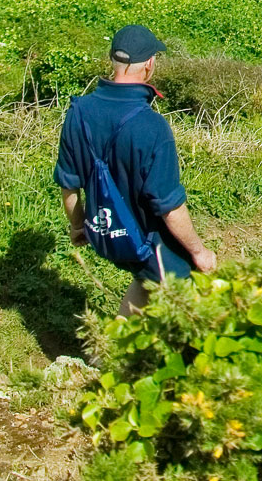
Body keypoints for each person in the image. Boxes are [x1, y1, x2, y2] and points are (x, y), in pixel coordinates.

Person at [55, 25, 216, 315]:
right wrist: (198, 252)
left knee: (147, 277)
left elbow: (69, 186)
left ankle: (109, 352)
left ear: (112, 60)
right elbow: (170, 209)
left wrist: (79, 225)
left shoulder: (77, 112)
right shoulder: (152, 127)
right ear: (150, 65)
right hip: (143, 242)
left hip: (104, 234)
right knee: (194, 304)